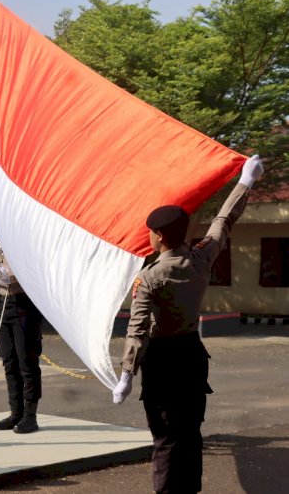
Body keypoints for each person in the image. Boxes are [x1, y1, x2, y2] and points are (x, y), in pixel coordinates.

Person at [112, 155, 264, 493]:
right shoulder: (201, 257)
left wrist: (125, 375)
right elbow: (224, 220)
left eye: (151, 234)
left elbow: (137, 330)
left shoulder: (150, 278)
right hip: (192, 355)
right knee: (190, 430)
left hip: (163, 360)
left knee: (166, 437)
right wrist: (245, 181)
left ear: (159, 238)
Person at [0, 242, 44, 434]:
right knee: (9, 361)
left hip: (24, 306)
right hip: (3, 306)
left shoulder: (27, 242)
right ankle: (16, 413)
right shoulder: (0, 245)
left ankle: (30, 416)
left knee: (27, 362)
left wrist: (9, 278)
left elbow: (34, 271)